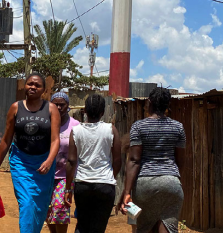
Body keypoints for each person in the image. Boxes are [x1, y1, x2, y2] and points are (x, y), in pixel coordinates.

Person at [0, 73, 60, 233]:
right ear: (24, 86)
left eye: (37, 85)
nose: (33, 87)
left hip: (44, 164)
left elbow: (55, 140)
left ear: (44, 89)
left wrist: (49, 161)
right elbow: (6, 139)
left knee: (41, 206)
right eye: (30, 84)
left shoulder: (51, 109)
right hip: (21, 162)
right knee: (27, 202)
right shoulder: (16, 108)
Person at [118, 87, 186, 233]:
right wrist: (174, 181)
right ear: (168, 105)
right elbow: (181, 161)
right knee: (167, 225)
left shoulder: (138, 126)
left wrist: (127, 191)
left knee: (145, 227)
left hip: (145, 184)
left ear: (149, 103)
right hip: (171, 181)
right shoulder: (178, 127)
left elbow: (134, 160)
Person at [64, 94, 122, 233]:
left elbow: (71, 161)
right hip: (105, 185)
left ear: (85, 111)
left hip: (82, 184)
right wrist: (110, 176)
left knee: (83, 224)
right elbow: (117, 160)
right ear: (102, 112)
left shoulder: (76, 131)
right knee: (98, 227)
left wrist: (68, 188)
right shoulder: (111, 129)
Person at [46, 92, 80, 233]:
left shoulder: (75, 126)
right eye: (55, 104)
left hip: (65, 176)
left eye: (62, 105)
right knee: (47, 210)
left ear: (68, 107)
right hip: (45, 175)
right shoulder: (45, 123)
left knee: (60, 209)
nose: (59, 107)